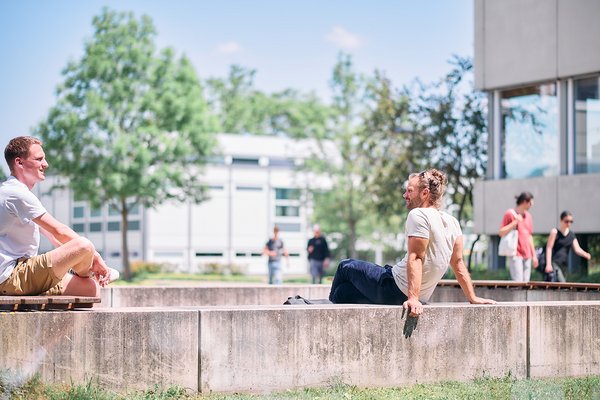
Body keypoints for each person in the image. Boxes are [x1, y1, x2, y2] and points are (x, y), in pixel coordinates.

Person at [328, 168, 496, 316]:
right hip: (407, 293)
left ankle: (326, 308)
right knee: (344, 293)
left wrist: (413, 299)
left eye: (409, 191)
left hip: (393, 287)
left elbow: (416, 258)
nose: (405, 195)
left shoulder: (418, 215)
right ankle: (335, 300)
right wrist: (472, 298)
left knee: (345, 266)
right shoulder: (453, 222)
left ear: (424, 193)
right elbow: (458, 263)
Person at [0, 136, 118, 298]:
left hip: (23, 273)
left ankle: (84, 273)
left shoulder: (13, 192)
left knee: (91, 290)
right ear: (19, 163)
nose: (46, 164)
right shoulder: (16, 193)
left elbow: (53, 235)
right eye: (39, 159)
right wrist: (95, 257)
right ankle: (88, 271)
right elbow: (59, 230)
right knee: (84, 245)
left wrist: (71, 259)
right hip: (12, 275)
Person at [498, 192, 538, 282]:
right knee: (518, 281)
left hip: (527, 254)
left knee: (526, 282)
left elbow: (529, 236)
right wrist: (515, 222)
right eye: (530, 203)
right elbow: (501, 232)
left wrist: (534, 256)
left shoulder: (529, 216)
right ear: (524, 202)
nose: (532, 205)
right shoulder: (510, 214)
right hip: (515, 253)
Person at [542, 211, 591, 282]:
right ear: (561, 221)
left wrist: (585, 254)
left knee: (561, 287)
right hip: (554, 263)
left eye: (571, 221)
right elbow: (549, 248)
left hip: (564, 265)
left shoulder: (571, 235)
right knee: (562, 284)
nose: (569, 224)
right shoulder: (555, 232)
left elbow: (577, 249)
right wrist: (548, 264)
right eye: (566, 221)